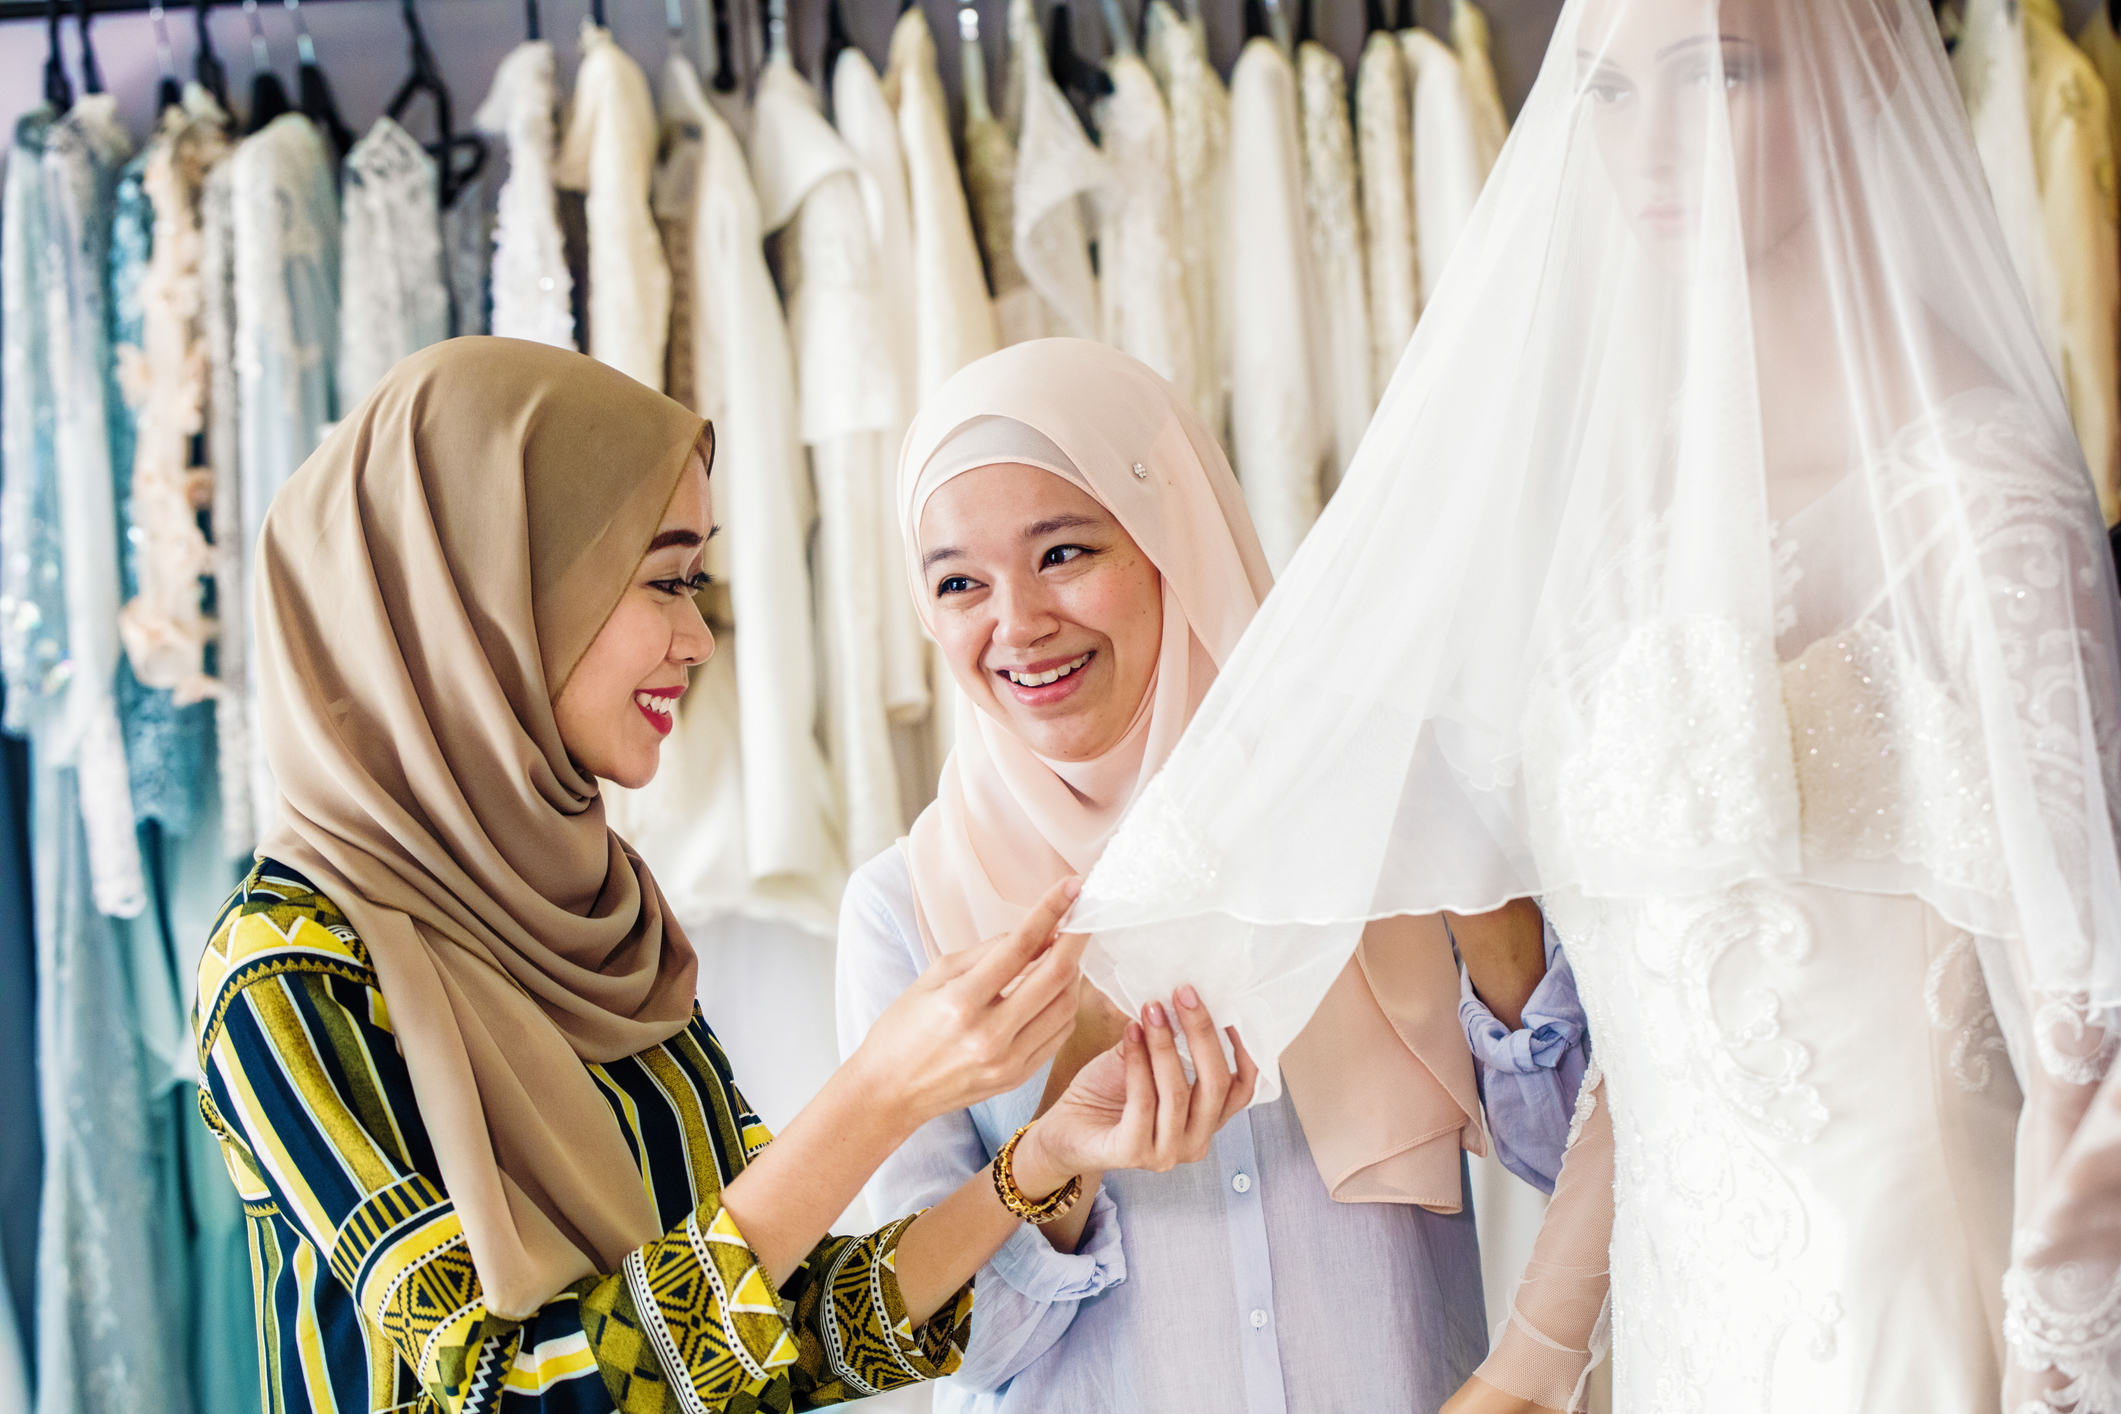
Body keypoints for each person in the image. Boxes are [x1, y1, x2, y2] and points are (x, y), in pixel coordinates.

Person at [1056, 1, 2121, 1411]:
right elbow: (1660, 1018)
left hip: (1915, 1328)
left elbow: (2092, 1028)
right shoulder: (1633, 519)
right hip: (1690, 1340)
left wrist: (2058, 1379)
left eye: (1719, 76)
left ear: (1863, 77)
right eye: (1611, 94)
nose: (1654, 144)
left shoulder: (1976, 505)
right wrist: (1531, 1360)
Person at [190, 337, 1256, 1414]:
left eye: (694, 582)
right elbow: (523, 1394)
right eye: (666, 581)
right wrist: (878, 1093)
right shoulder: (289, 965)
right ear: (494, 597)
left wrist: (1046, 1154)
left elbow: (787, 1326)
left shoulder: (602, 918)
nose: (699, 638)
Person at [835, 338, 1588, 1413]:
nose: (1018, 624)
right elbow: (960, 1345)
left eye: (1063, 552)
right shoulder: (903, 912)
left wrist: (1480, 881)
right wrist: (1062, 1144)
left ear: (1171, 541)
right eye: (959, 582)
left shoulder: (1376, 804)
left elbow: (1585, 1162)